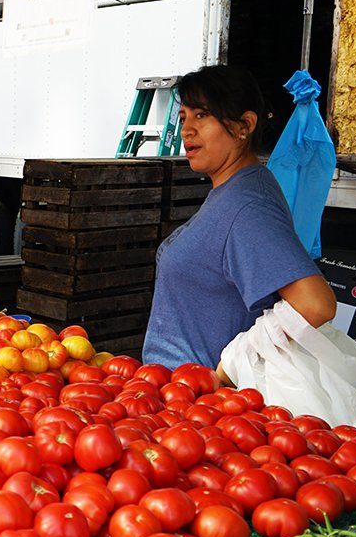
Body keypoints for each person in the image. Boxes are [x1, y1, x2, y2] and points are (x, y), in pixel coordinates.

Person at [142, 65, 336, 383]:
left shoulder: (247, 205)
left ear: (244, 124)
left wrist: (226, 371)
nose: (186, 130)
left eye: (202, 116)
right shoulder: (234, 188)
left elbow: (316, 304)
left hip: (196, 405)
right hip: (172, 396)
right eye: (183, 118)